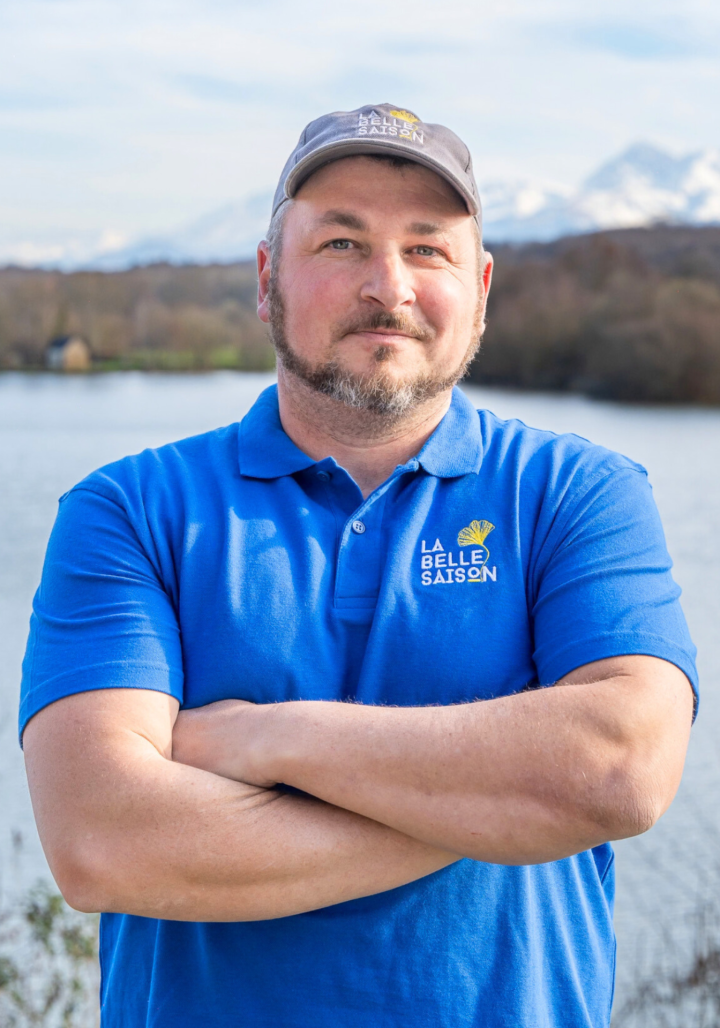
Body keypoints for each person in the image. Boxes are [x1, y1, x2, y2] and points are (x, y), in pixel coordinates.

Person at [21, 103, 697, 1028]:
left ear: (482, 287)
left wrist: (269, 738)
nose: (389, 285)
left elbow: (619, 771)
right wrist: (502, 803)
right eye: (341, 244)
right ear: (268, 280)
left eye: (429, 249)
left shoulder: (578, 494)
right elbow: (103, 842)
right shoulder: (132, 511)